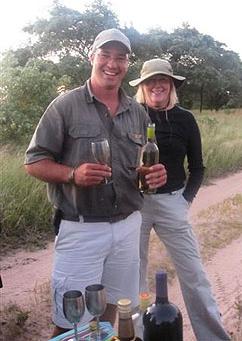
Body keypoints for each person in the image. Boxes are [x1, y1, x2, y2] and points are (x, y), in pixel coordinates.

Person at [24, 30, 166, 338]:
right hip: (81, 228)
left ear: (127, 63)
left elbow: (137, 169)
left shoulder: (137, 113)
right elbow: (33, 162)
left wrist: (147, 175)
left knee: (114, 307)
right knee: (71, 319)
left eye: (120, 57)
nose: (112, 64)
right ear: (92, 57)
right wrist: (71, 175)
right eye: (105, 55)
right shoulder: (65, 106)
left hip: (128, 225)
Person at [129, 58, 231, 341]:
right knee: (133, 275)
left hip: (172, 202)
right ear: (143, 86)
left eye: (163, 80)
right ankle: (138, 336)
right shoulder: (132, 115)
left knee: (194, 274)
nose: (157, 85)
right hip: (135, 205)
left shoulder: (185, 119)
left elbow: (197, 168)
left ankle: (213, 337)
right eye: (151, 81)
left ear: (171, 84)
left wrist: (184, 201)